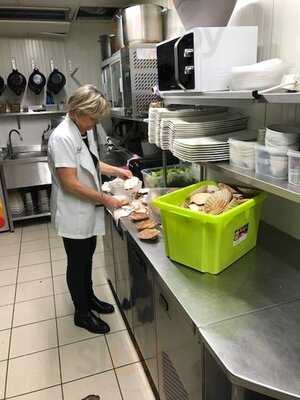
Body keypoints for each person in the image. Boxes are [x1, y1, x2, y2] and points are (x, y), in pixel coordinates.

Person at [48, 85, 132, 334]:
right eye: (92, 117)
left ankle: (90, 298)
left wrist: (118, 171)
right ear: (75, 111)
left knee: (87, 258)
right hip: (73, 210)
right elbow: (69, 183)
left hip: (87, 208)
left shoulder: (84, 131)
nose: (94, 123)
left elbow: (93, 163)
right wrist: (105, 199)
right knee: (77, 262)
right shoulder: (62, 137)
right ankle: (82, 313)